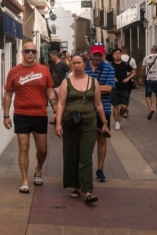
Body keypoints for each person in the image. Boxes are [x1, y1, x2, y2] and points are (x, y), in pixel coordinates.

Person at [55, 53, 108, 204]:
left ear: (85, 64)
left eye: (79, 62)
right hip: (70, 125)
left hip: (89, 124)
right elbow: (60, 104)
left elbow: (98, 105)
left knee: (85, 157)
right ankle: (76, 186)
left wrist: (104, 122)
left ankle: (88, 191)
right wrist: (58, 123)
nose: (77, 65)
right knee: (72, 155)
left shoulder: (93, 82)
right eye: (74, 63)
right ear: (70, 64)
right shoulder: (66, 82)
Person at [3, 41, 56, 193]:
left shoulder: (44, 70)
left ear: (36, 53)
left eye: (33, 51)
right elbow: (8, 94)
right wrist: (6, 115)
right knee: (24, 147)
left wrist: (57, 110)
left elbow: (50, 91)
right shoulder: (14, 71)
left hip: (39, 114)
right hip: (21, 114)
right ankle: (25, 180)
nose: (30, 54)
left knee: (42, 149)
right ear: (22, 53)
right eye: (27, 51)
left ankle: (38, 169)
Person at [85, 44, 115, 182]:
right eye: (95, 54)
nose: (97, 57)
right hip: (84, 109)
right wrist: (99, 88)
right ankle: (85, 168)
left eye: (99, 55)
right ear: (91, 54)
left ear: (103, 55)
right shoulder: (83, 66)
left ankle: (100, 169)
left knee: (101, 139)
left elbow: (109, 88)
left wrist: (88, 88)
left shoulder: (108, 68)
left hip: (104, 108)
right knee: (85, 139)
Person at [139, 44, 157, 120]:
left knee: (148, 96)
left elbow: (142, 69)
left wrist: (140, 78)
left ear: (152, 49)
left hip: (149, 79)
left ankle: (151, 109)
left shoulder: (146, 57)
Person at [111, 48, 136, 130]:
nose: (117, 55)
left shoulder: (125, 64)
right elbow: (107, 74)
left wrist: (128, 79)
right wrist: (112, 78)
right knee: (115, 106)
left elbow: (134, 72)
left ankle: (120, 116)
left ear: (121, 54)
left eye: (118, 53)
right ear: (113, 55)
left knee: (124, 107)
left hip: (124, 88)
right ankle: (117, 123)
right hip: (114, 88)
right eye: (115, 53)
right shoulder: (110, 65)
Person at [47, 50, 70, 125]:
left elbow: (70, 71)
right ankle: (56, 116)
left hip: (60, 86)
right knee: (55, 103)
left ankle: (60, 118)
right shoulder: (52, 65)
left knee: (61, 103)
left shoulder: (63, 64)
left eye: (51, 57)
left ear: (55, 56)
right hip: (53, 86)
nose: (50, 58)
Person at [120, 47, 137, 116]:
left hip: (120, 79)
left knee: (120, 95)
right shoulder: (132, 59)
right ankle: (125, 110)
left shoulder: (118, 58)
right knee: (127, 95)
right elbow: (135, 70)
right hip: (129, 79)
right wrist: (134, 80)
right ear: (128, 52)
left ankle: (122, 108)